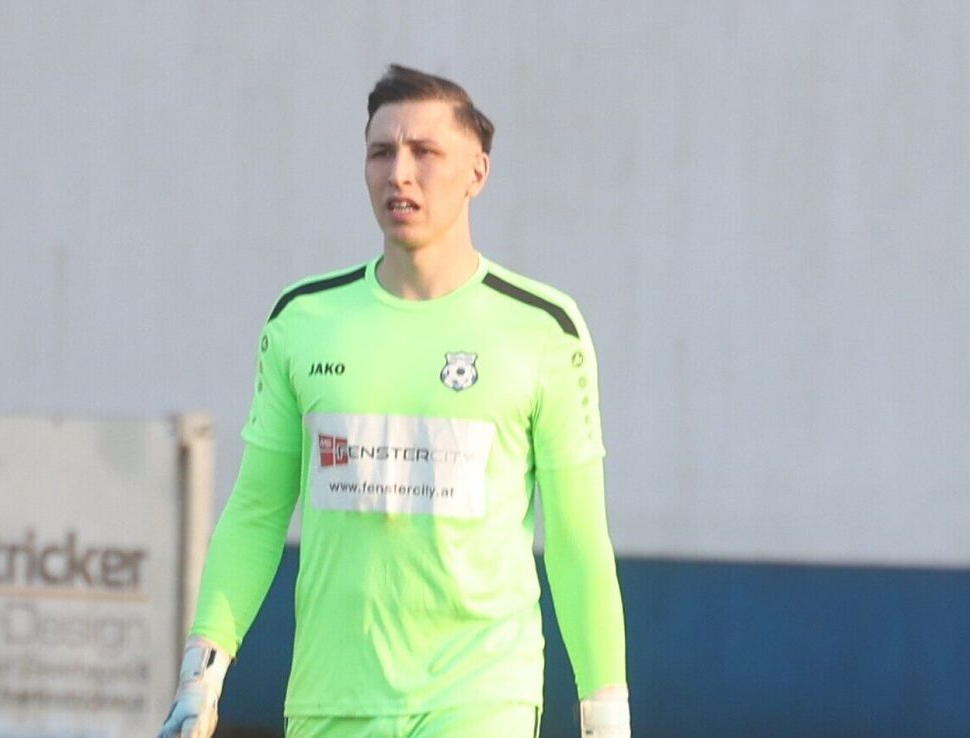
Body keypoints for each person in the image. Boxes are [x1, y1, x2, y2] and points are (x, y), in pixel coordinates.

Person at [159, 64, 631, 738]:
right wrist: (201, 674)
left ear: (477, 172)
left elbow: (578, 539)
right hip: (330, 698)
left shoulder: (543, 329)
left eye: (425, 152)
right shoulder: (304, 320)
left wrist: (605, 713)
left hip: (481, 698)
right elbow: (257, 512)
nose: (399, 173)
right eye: (381, 152)